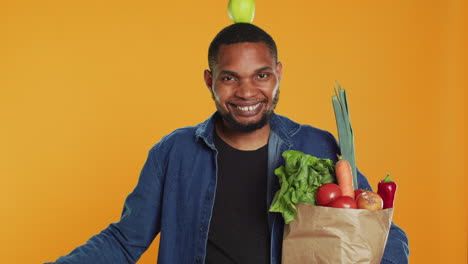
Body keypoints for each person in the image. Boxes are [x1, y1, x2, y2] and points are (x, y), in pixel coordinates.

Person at [46, 23, 409, 264]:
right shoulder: (173, 153)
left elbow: (383, 233)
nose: (247, 91)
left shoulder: (318, 146)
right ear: (210, 80)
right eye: (230, 78)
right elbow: (124, 241)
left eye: (261, 75)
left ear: (278, 74)